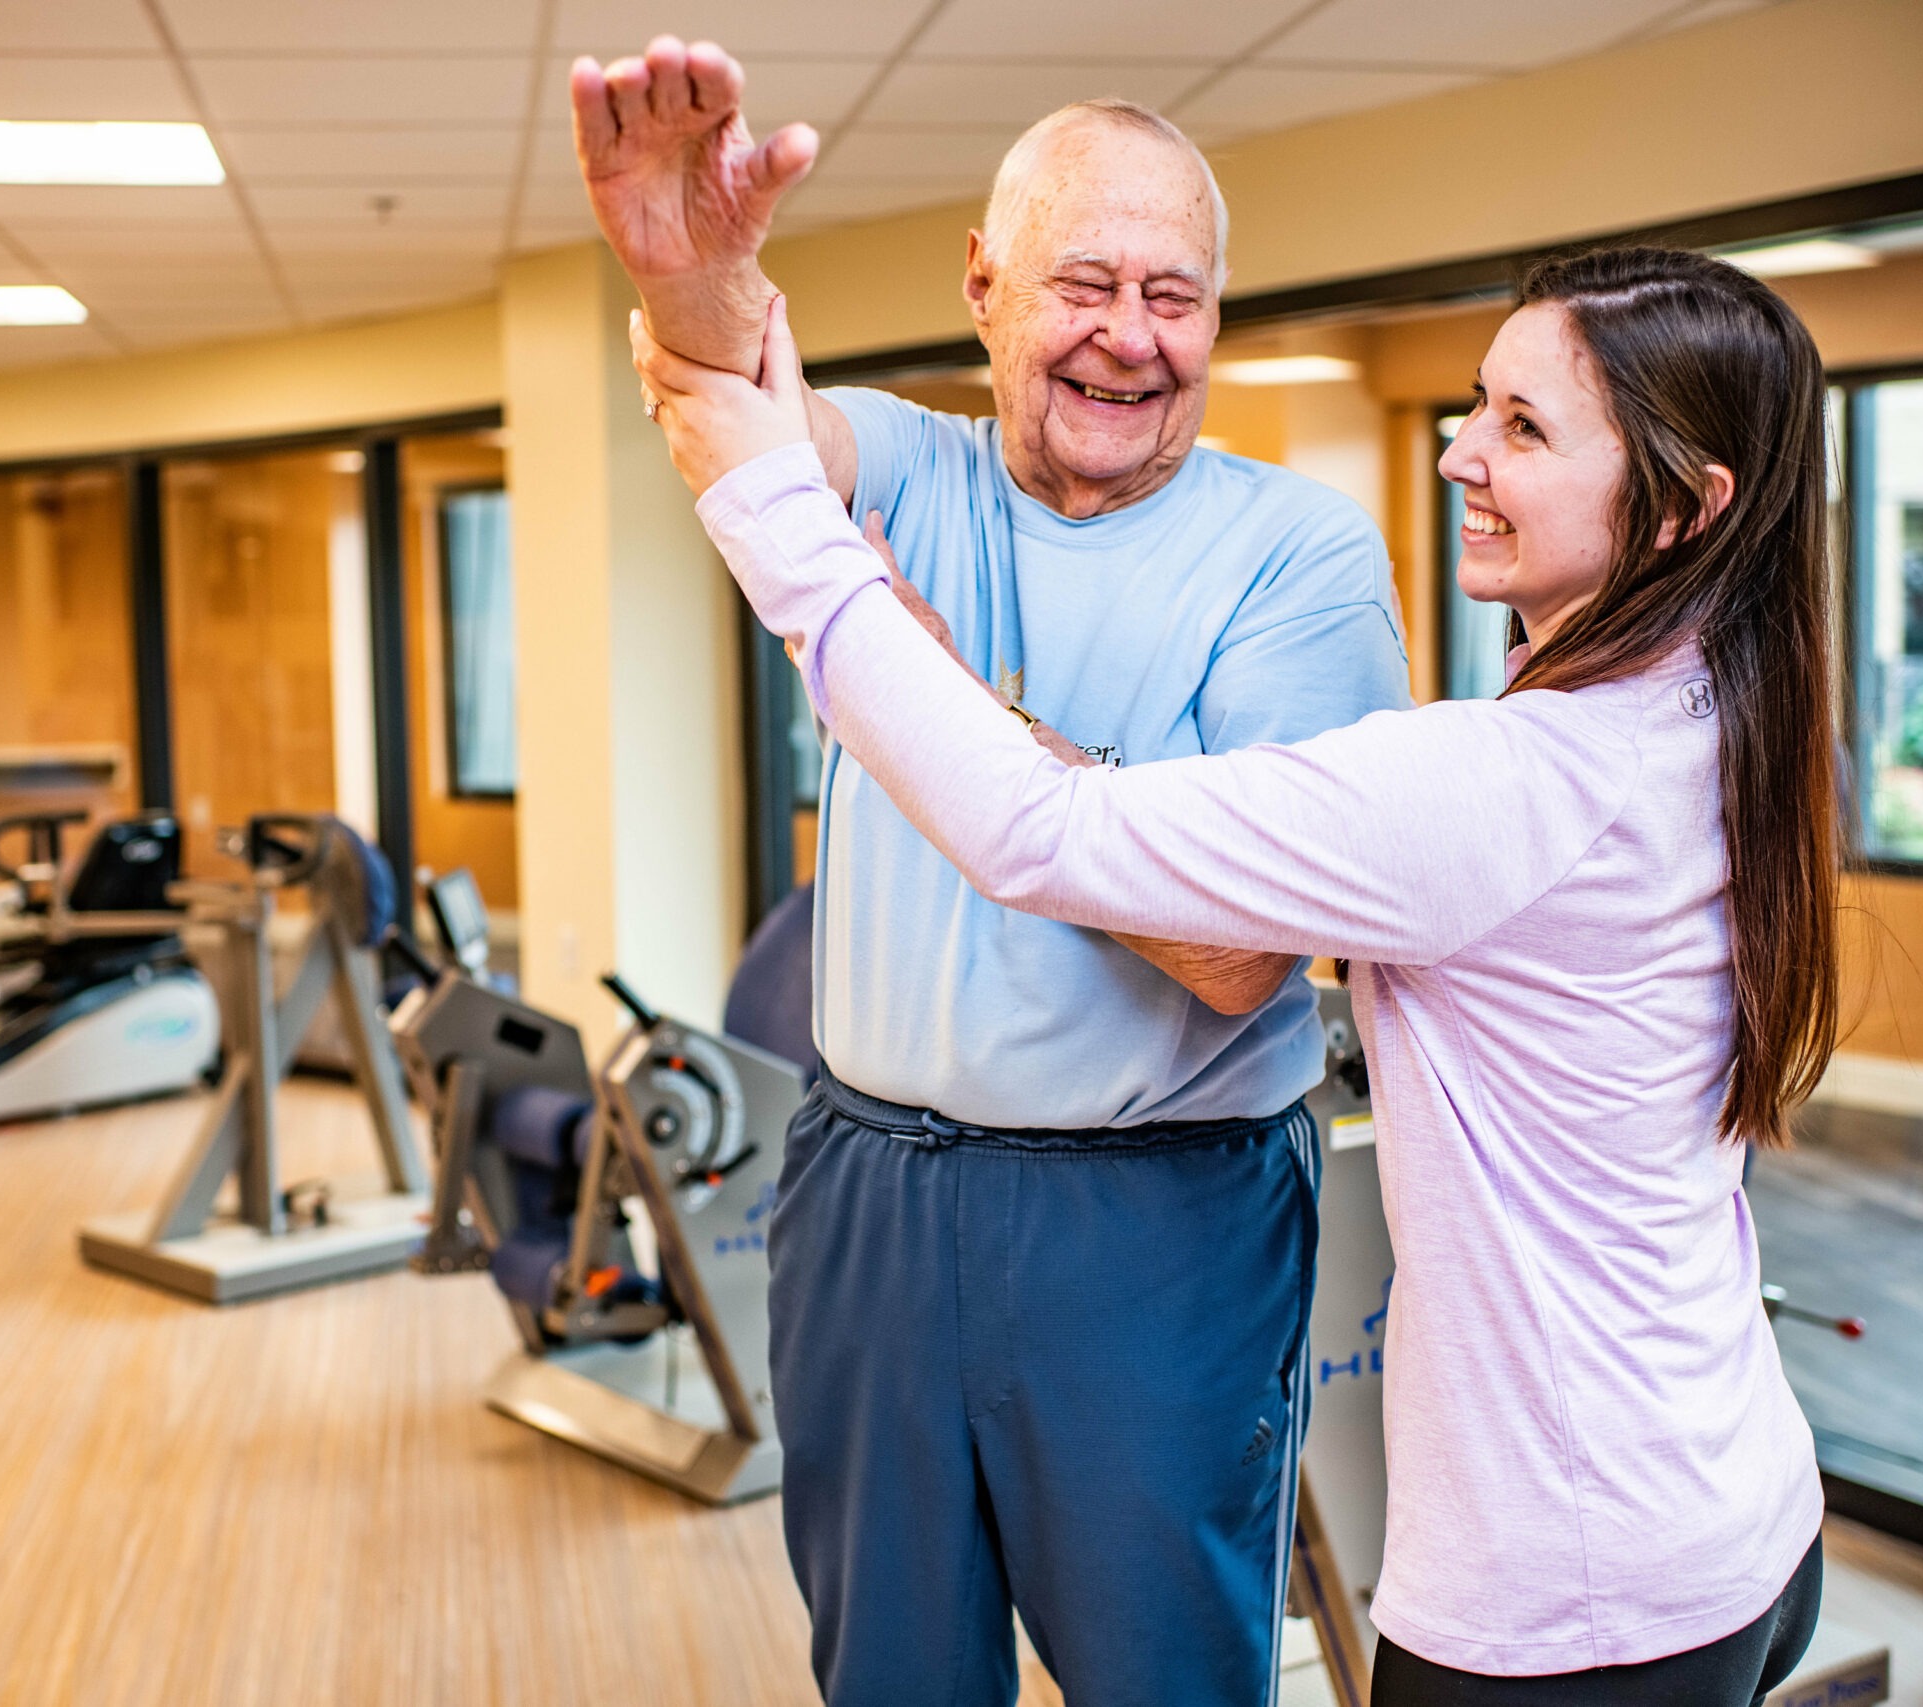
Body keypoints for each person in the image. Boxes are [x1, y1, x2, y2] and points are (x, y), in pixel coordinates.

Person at [634, 245, 1837, 1706]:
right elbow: (1145, 834)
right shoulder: (1723, 706)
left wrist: (765, 516)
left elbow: (1040, 835)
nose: (1460, 451)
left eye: (1524, 428)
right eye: (1478, 404)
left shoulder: (1510, 777)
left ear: (1684, 509)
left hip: (1573, 1596)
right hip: (1735, 1505)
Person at [572, 40, 1412, 1707]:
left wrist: (944, 695)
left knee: (1161, 1675)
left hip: (1156, 1221)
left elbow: (1242, 953)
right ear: (984, 286)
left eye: (1174, 294)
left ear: (1218, 318)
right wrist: (694, 267)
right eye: (1084, 281)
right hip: (868, 1187)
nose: (1129, 334)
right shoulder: (905, 462)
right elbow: (739, 407)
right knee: (885, 1668)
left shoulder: (1298, 556)